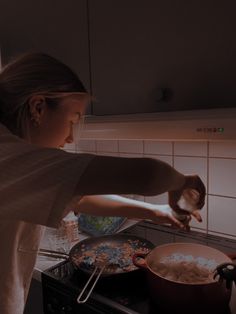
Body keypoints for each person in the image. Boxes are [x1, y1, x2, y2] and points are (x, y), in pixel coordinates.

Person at [0, 52, 205, 314]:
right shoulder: (8, 157)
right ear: (38, 108)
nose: (71, 137)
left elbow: (80, 196)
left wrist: (154, 211)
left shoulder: (14, 156)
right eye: (72, 120)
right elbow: (147, 175)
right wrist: (182, 181)